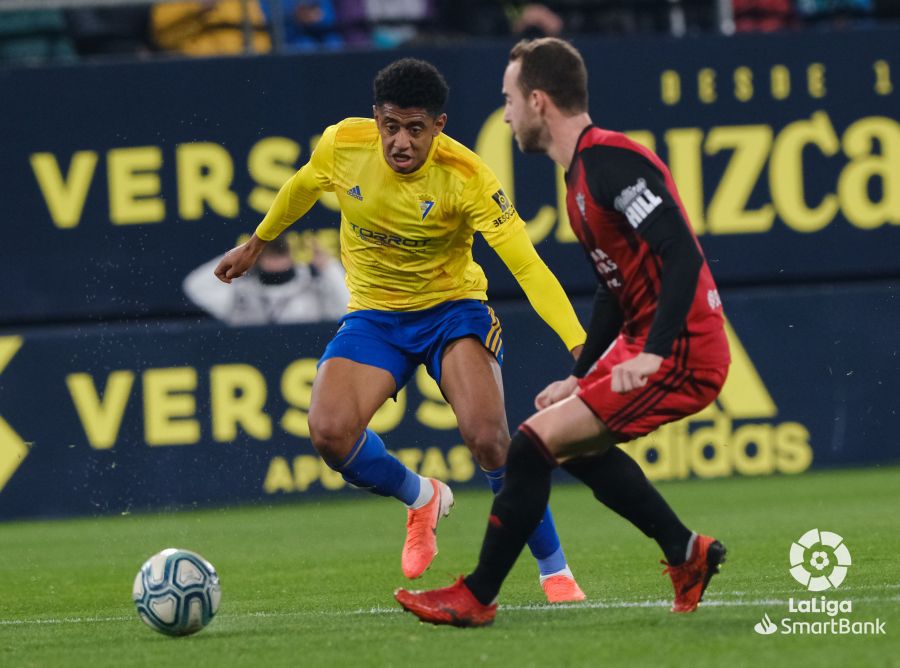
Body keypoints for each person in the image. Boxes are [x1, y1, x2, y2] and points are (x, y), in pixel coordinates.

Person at [213, 58, 589, 602]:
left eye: (415, 129)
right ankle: (421, 497)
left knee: (488, 438)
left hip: (452, 309)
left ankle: (555, 571)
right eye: (391, 126)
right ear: (376, 119)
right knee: (329, 432)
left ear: (438, 126)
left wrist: (581, 344)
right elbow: (302, 184)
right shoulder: (344, 144)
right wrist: (256, 243)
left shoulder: (468, 176)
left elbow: (527, 266)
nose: (400, 142)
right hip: (374, 315)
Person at [395, 37, 731, 626]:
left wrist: (653, 355)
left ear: (540, 102)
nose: (505, 114)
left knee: (529, 445)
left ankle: (477, 596)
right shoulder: (578, 178)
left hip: (680, 347)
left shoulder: (611, 163)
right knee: (560, 443)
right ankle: (685, 551)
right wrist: (581, 375)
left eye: (509, 99)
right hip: (647, 339)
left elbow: (679, 253)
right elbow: (613, 286)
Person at [184, 235, 349, 325]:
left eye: (280, 256)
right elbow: (195, 285)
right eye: (270, 258)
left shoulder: (314, 289)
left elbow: (348, 306)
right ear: (258, 262)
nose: (276, 267)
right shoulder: (241, 293)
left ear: (291, 258)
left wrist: (329, 267)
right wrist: (241, 254)